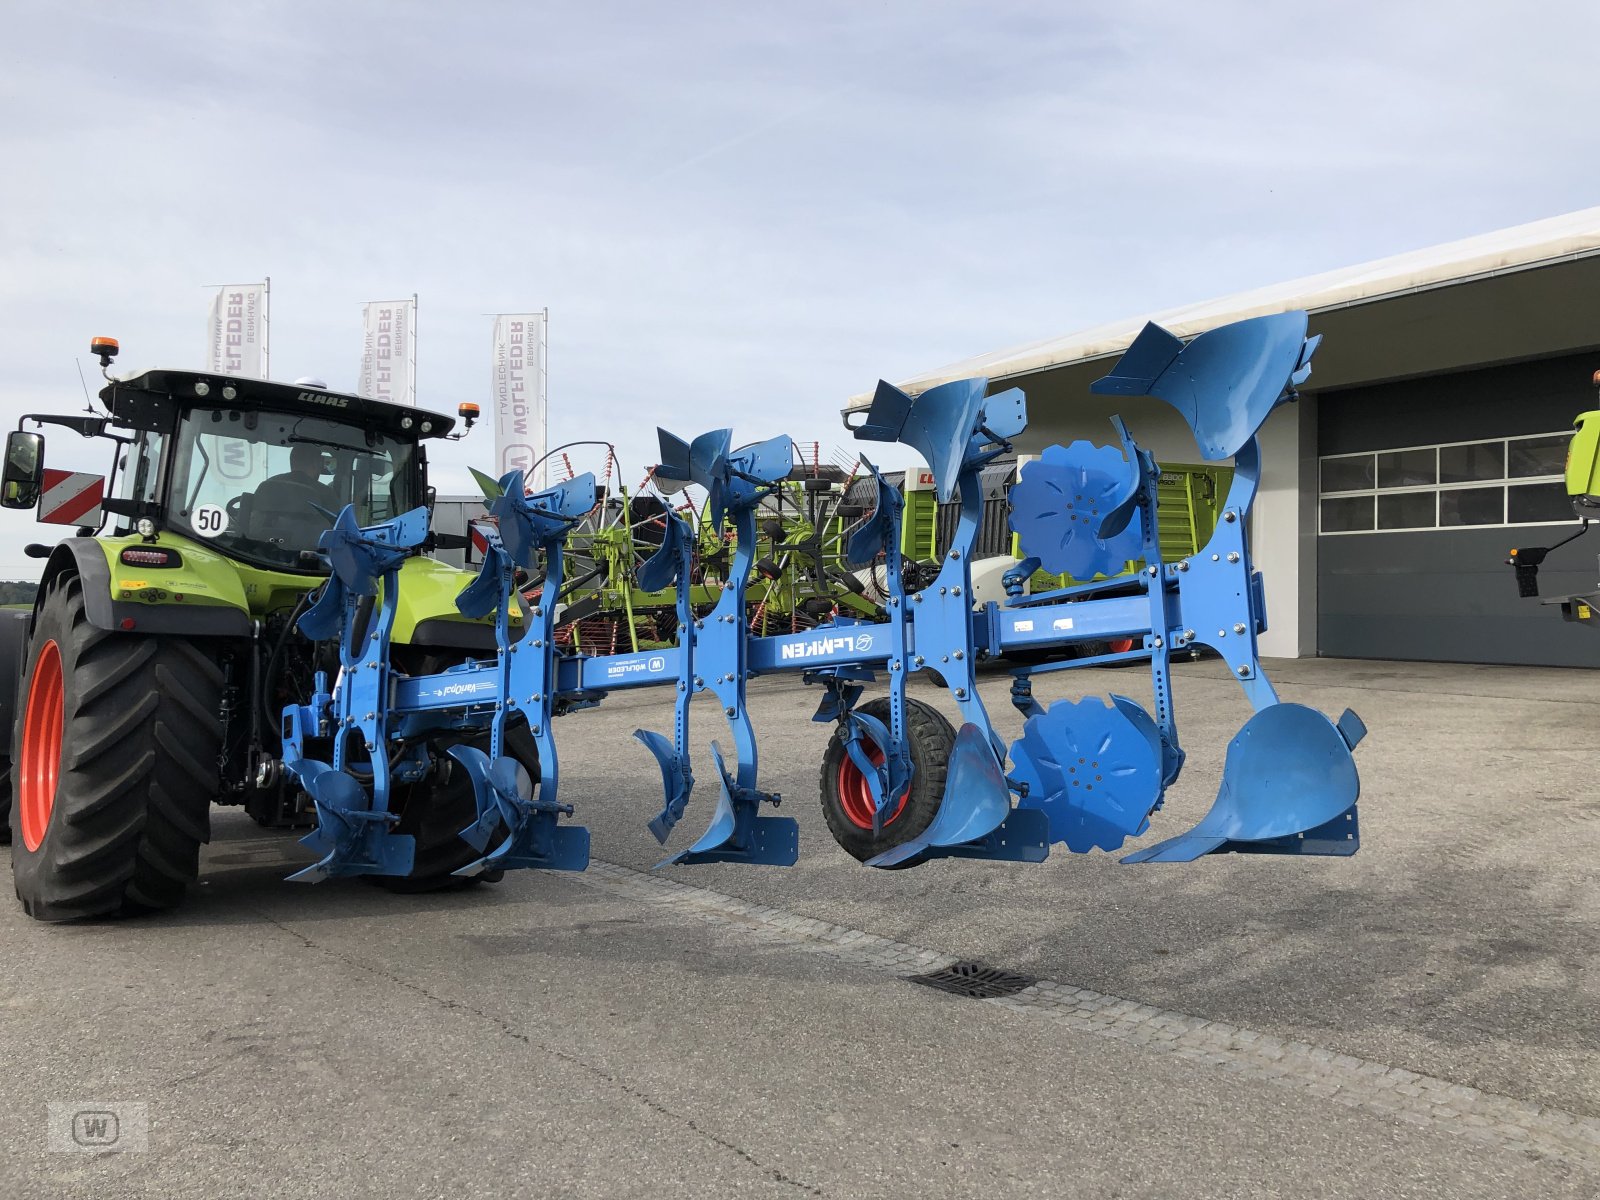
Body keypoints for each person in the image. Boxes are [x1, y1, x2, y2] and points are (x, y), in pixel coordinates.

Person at [247, 443, 341, 549]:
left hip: (262, 551)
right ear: (317, 464)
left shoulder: (267, 486)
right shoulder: (326, 493)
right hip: (308, 558)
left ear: (292, 462)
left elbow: (252, 525)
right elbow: (338, 533)